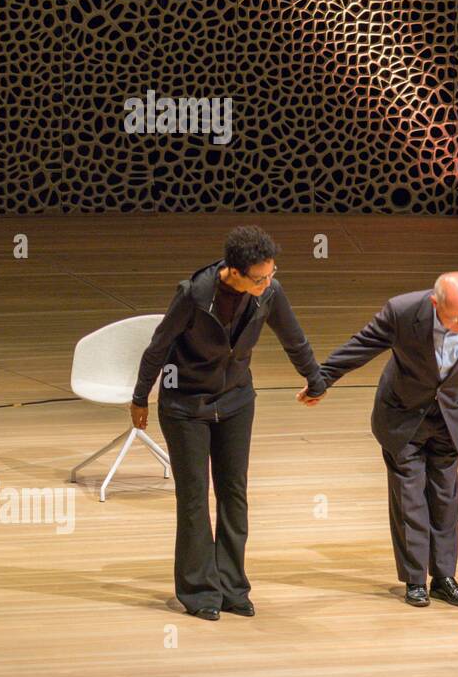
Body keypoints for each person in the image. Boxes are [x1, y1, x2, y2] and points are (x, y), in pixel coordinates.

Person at [309, 272, 458, 608]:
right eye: (454, 317)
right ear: (434, 303)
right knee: (409, 498)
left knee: (444, 499)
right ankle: (414, 580)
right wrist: (320, 381)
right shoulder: (402, 311)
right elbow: (360, 346)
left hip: (448, 418)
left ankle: (444, 577)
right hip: (403, 415)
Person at [131, 225, 326, 620]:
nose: (269, 282)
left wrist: (315, 379)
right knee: (194, 499)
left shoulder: (268, 291)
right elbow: (157, 347)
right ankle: (199, 590)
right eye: (260, 277)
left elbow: (293, 336)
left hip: (236, 401)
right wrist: (140, 398)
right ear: (233, 272)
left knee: (234, 496)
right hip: (186, 405)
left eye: (272, 273)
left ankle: (233, 586)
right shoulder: (194, 295)